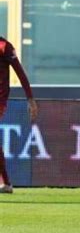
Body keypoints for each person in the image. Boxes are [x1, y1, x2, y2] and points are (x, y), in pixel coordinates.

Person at [0, 37, 38, 194]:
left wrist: (30, 99)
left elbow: (20, 74)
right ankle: (6, 183)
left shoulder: (4, 47)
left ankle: (6, 183)